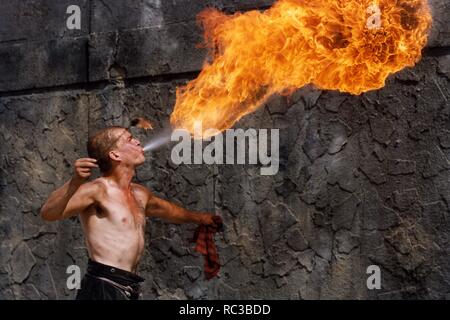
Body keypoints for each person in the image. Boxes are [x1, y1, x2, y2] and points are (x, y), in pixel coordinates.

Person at [40, 126, 220, 300]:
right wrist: (74, 182)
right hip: (102, 286)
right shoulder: (97, 190)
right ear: (115, 154)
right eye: (129, 139)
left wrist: (200, 218)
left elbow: (168, 211)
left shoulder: (140, 194)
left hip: (128, 286)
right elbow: (48, 213)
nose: (138, 141)